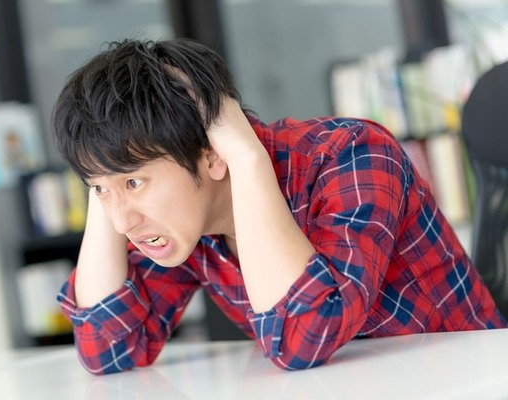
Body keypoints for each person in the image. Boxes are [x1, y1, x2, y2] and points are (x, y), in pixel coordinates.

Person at [52, 38, 507, 375]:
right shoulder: (181, 221)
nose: (122, 222)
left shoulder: (352, 156)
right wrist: (104, 173)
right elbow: (109, 350)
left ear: (211, 154)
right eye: (99, 191)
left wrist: (247, 160)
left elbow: (303, 339)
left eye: (135, 182)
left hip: (465, 380)